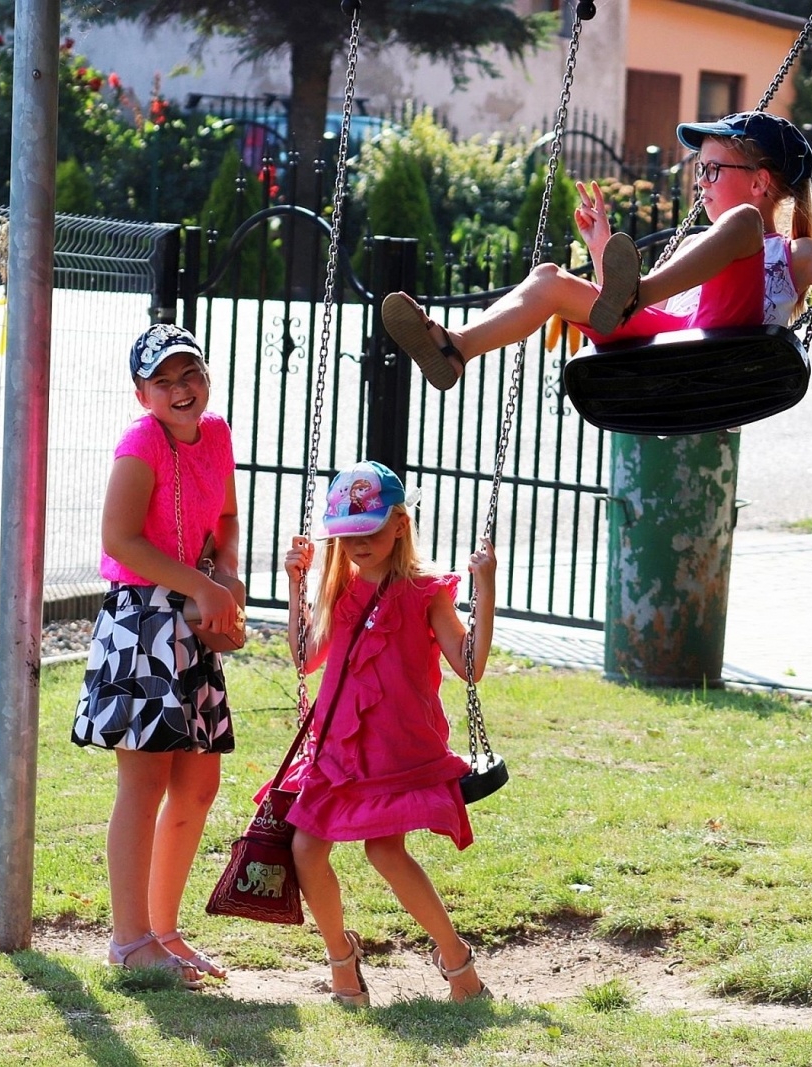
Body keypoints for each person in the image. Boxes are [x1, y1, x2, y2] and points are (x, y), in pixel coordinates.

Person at [382, 111, 812, 390]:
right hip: (670, 337)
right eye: (699, 170)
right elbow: (637, 312)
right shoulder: (701, 245)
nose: (700, 182)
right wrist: (601, 247)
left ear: (759, 182)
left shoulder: (798, 254)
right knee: (548, 278)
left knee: (740, 225)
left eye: (712, 169)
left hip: (731, 348)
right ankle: (457, 348)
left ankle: (636, 290)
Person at [278, 460, 496, 1006]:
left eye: (370, 531)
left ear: (400, 524)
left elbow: (469, 666)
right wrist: (296, 585)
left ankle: (457, 961)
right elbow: (305, 658)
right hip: (338, 747)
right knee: (306, 849)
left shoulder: (426, 591)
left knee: (385, 851)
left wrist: (485, 587)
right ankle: (341, 958)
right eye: (347, 535)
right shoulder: (340, 588)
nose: (358, 545)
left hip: (396, 746)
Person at [72, 323, 246, 987]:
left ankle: (163, 932)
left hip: (192, 613)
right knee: (143, 784)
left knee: (198, 784)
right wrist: (201, 585)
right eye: (163, 380)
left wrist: (225, 572)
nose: (180, 389)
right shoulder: (141, 441)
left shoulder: (216, 434)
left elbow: (225, 519)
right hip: (142, 618)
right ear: (141, 393)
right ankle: (129, 941)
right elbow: (119, 540)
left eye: (189, 373)